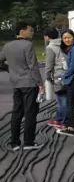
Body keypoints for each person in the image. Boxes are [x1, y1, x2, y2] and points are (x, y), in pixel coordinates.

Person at [0, 22, 44, 151]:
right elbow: (33, 66)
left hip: (16, 83)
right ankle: (29, 142)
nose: (32, 32)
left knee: (17, 112)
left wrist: (9, 69)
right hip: (29, 83)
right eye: (30, 30)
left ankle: (14, 142)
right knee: (30, 113)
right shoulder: (28, 45)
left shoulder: (7, 46)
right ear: (22, 31)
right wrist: (40, 84)